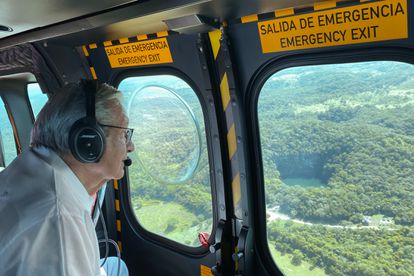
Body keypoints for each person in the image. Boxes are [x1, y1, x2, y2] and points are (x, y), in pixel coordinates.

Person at [0, 80, 133, 275]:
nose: (130, 147)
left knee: (115, 266)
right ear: (89, 142)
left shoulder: (32, 166)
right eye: (124, 135)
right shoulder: (58, 222)